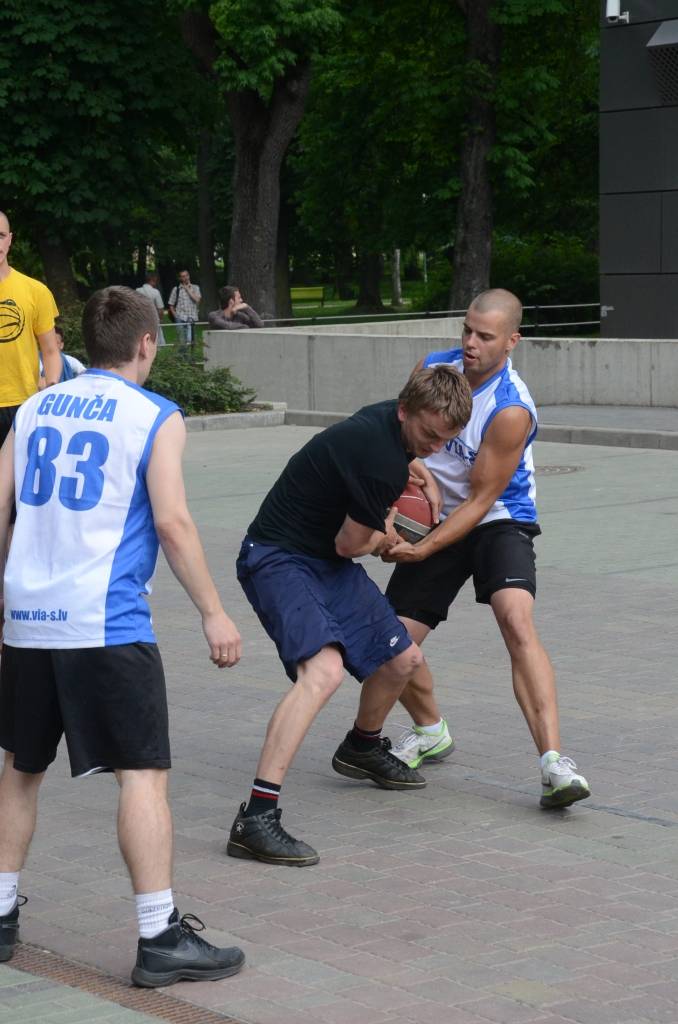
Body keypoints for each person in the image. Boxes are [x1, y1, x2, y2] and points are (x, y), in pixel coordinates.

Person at [0, 287, 245, 986]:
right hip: (105, 622)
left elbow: (0, 506)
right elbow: (172, 521)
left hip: (28, 618)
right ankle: (158, 935)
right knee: (141, 774)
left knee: (20, 768)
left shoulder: (34, 407)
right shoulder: (153, 415)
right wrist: (213, 611)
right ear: (145, 343)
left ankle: (0, 912)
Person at [227, 366, 473, 867]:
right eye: (428, 435)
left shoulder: (389, 425)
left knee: (403, 660)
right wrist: (389, 536)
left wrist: (418, 468)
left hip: (323, 559)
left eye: (443, 441)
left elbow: (389, 474)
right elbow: (351, 543)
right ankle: (256, 818)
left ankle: (361, 747)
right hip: (277, 557)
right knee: (324, 673)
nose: (433, 448)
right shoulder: (380, 458)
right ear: (405, 410)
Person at [383, 288, 591, 810]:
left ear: (512, 341)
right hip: (438, 515)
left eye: (485, 336)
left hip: (498, 518)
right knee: (386, 640)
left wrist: (424, 549)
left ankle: (554, 764)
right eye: (467, 331)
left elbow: (480, 499)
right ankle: (430, 731)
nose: (471, 343)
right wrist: (418, 474)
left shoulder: (511, 408)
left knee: (515, 619)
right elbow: (400, 431)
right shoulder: (434, 368)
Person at [0, 210, 61, 452]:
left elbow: (51, 350)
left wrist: (51, 388)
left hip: (24, 402)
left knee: (21, 473)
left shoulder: (35, 291)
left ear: (10, 239)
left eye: (0, 235)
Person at [167, 269, 200, 345]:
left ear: (189, 276)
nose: (185, 278)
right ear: (180, 278)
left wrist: (188, 289)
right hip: (180, 317)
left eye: (186, 275)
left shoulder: (195, 287)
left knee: (191, 340)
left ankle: (190, 352)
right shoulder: (176, 289)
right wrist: (176, 316)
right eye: (183, 276)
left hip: (192, 317)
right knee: (182, 341)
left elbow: (197, 300)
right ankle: (182, 352)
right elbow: (171, 304)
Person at [136, 272, 166, 346]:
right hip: (153, 318)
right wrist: (161, 319)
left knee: (141, 337)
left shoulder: (137, 290)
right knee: (155, 339)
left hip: (141, 319)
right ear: (153, 280)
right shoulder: (155, 292)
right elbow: (160, 308)